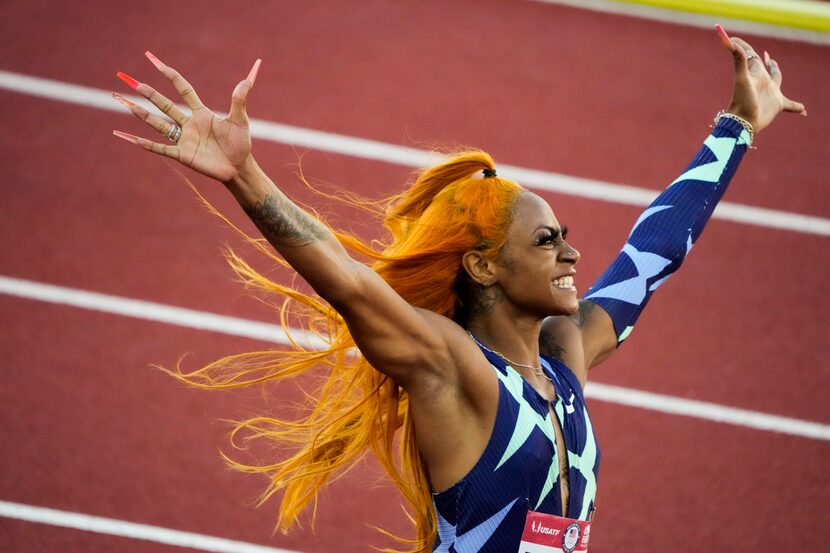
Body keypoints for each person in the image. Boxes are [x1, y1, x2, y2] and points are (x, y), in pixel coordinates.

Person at [112, 27, 804, 553]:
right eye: (546, 241)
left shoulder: (565, 359)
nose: (571, 251)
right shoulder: (455, 370)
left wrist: (736, 127)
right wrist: (245, 176)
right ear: (482, 268)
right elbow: (351, 284)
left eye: (563, 234)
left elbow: (650, 257)